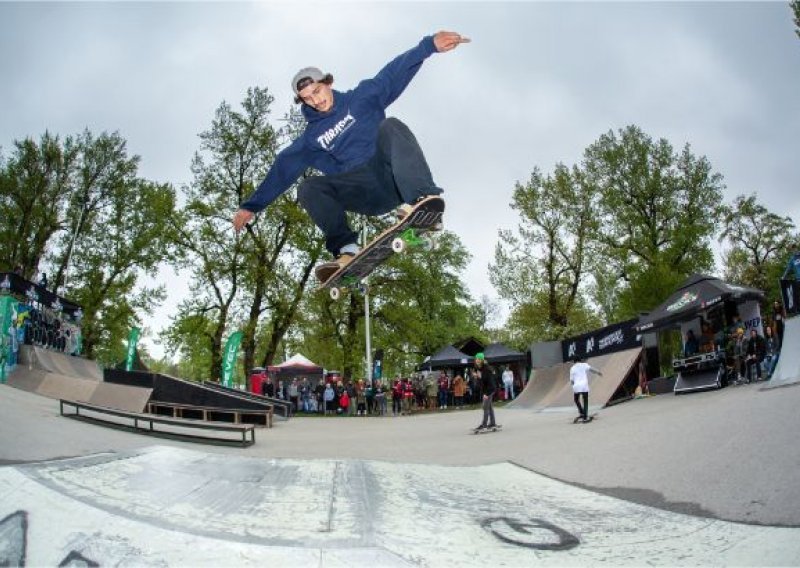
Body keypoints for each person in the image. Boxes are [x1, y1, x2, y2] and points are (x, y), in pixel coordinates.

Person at [231, 31, 470, 280]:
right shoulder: (310, 140)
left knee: (391, 126)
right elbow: (283, 168)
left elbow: (392, 74)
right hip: (361, 191)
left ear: (328, 83)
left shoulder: (362, 98)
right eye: (307, 98)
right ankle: (346, 250)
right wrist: (251, 206)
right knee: (308, 188)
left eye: (317, 90)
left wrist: (428, 46)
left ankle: (422, 201)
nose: (316, 100)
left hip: (390, 177)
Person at [569, 357, 603, 422]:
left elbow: (572, 381)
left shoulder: (572, 368)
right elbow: (592, 370)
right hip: (584, 386)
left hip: (576, 386)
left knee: (576, 400)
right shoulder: (584, 365)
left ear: (574, 361)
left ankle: (581, 412)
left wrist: (573, 386)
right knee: (585, 401)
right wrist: (598, 372)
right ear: (580, 360)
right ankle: (585, 417)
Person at [473, 353, 498, 431]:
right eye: (476, 359)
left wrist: (487, 394)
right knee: (489, 407)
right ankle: (492, 423)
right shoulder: (479, 369)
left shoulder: (487, 369)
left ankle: (484, 425)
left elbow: (490, 383)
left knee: (485, 407)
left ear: (482, 360)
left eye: (479, 359)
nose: (477, 360)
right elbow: (482, 381)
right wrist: (477, 377)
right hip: (486, 390)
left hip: (490, 390)